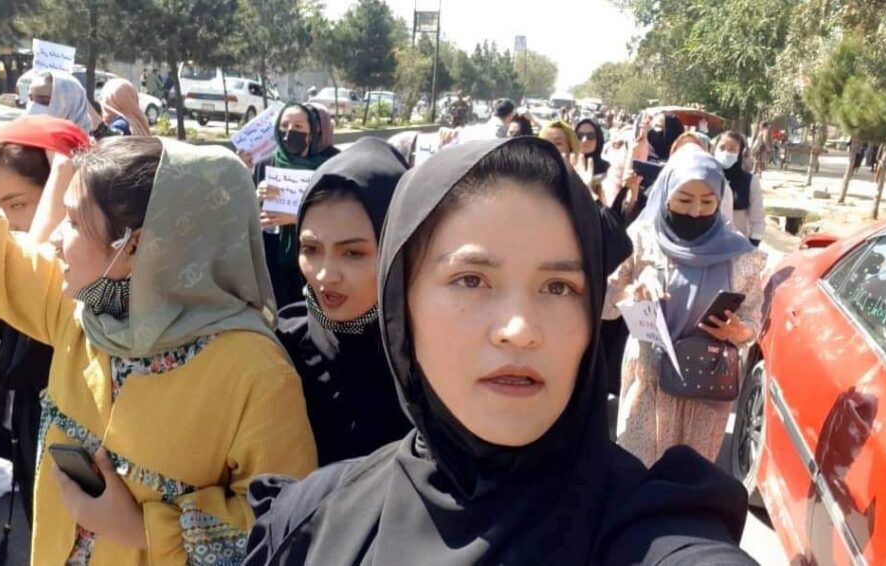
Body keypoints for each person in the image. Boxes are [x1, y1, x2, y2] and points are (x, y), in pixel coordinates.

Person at [0, 8, 317, 561]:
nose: (55, 239)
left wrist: (144, 529)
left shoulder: (257, 375)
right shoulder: (81, 314)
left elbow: (285, 530)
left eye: (75, 224)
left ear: (136, 246)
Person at [244, 137, 757, 565]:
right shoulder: (316, 523)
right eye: (471, 280)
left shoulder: (651, 530)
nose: (520, 330)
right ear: (402, 305)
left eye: (558, 287)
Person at [605, 145, 766, 467]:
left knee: (690, 476)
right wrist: (633, 293)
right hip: (648, 381)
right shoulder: (641, 238)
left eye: (707, 202)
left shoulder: (741, 256)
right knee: (636, 470)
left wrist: (739, 331)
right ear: (666, 195)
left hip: (704, 387)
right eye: (684, 199)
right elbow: (607, 305)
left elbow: (753, 323)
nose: (694, 212)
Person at [0, 115, 90, 520]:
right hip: (28, 421)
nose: (2, 222)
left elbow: (33, 274)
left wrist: (64, 169)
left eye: (17, 204)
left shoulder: (92, 281)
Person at [277, 138, 413, 466]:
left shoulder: (437, 358)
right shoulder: (282, 346)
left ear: (398, 250)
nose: (325, 275)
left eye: (353, 253)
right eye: (311, 249)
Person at [254, 103, 339, 308]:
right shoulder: (265, 164)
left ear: (312, 131)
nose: (290, 132)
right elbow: (248, 214)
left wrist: (297, 219)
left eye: (298, 126)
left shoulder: (331, 165)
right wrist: (256, 197)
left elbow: (340, 213)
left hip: (316, 257)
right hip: (272, 257)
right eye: (284, 126)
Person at [713, 131, 766, 247]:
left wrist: (752, 245)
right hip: (707, 245)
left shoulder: (750, 181)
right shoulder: (706, 178)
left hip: (737, 246)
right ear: (714, 150)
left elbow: (758, 219)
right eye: (722, 148)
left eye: (732, 149)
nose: (726, 152)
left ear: (740, 152)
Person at [26, 71, 98, 136]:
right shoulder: (22, 139)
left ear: (70, 105)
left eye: (43, 101)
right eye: (31, 98)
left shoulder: (87, 145)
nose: (33, 107)